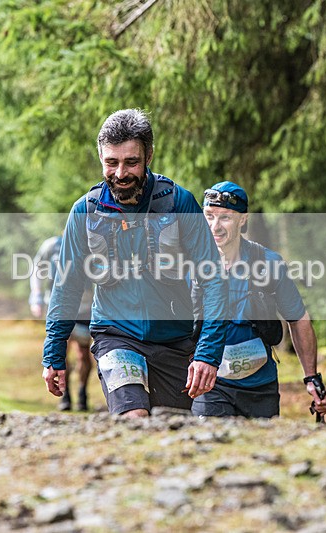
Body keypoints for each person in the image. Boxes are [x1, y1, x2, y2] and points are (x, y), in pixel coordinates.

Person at [41, 108, 227, 418]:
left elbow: (214, 280)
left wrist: (207, 353)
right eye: (111, 163)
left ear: (149, 155)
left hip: (175, 340)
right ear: (101, 158)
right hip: (115, 335)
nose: (120, 173)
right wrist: (54, 353)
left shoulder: (179, 202)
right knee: (134, 418)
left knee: (171, 428)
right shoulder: (85, 211)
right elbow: (67, 286)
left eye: (131, 162)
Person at [192, 181, 326, 419]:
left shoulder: (268, 263)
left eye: (225, 217)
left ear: (243, 220)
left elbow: (298, 319)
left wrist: (311, 377)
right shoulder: (190, 264)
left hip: (260, 388)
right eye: (209, 216)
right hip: (210, 385)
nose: (215, 226)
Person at [30, 235, 93, 411]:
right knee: (61, 352)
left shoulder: (91, 243)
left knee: (82, 353)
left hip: (85, 307)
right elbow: (37, 269)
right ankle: (65, 395)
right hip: (57, 305)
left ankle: (82, 392)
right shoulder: (51, 245)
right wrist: (36, 298)